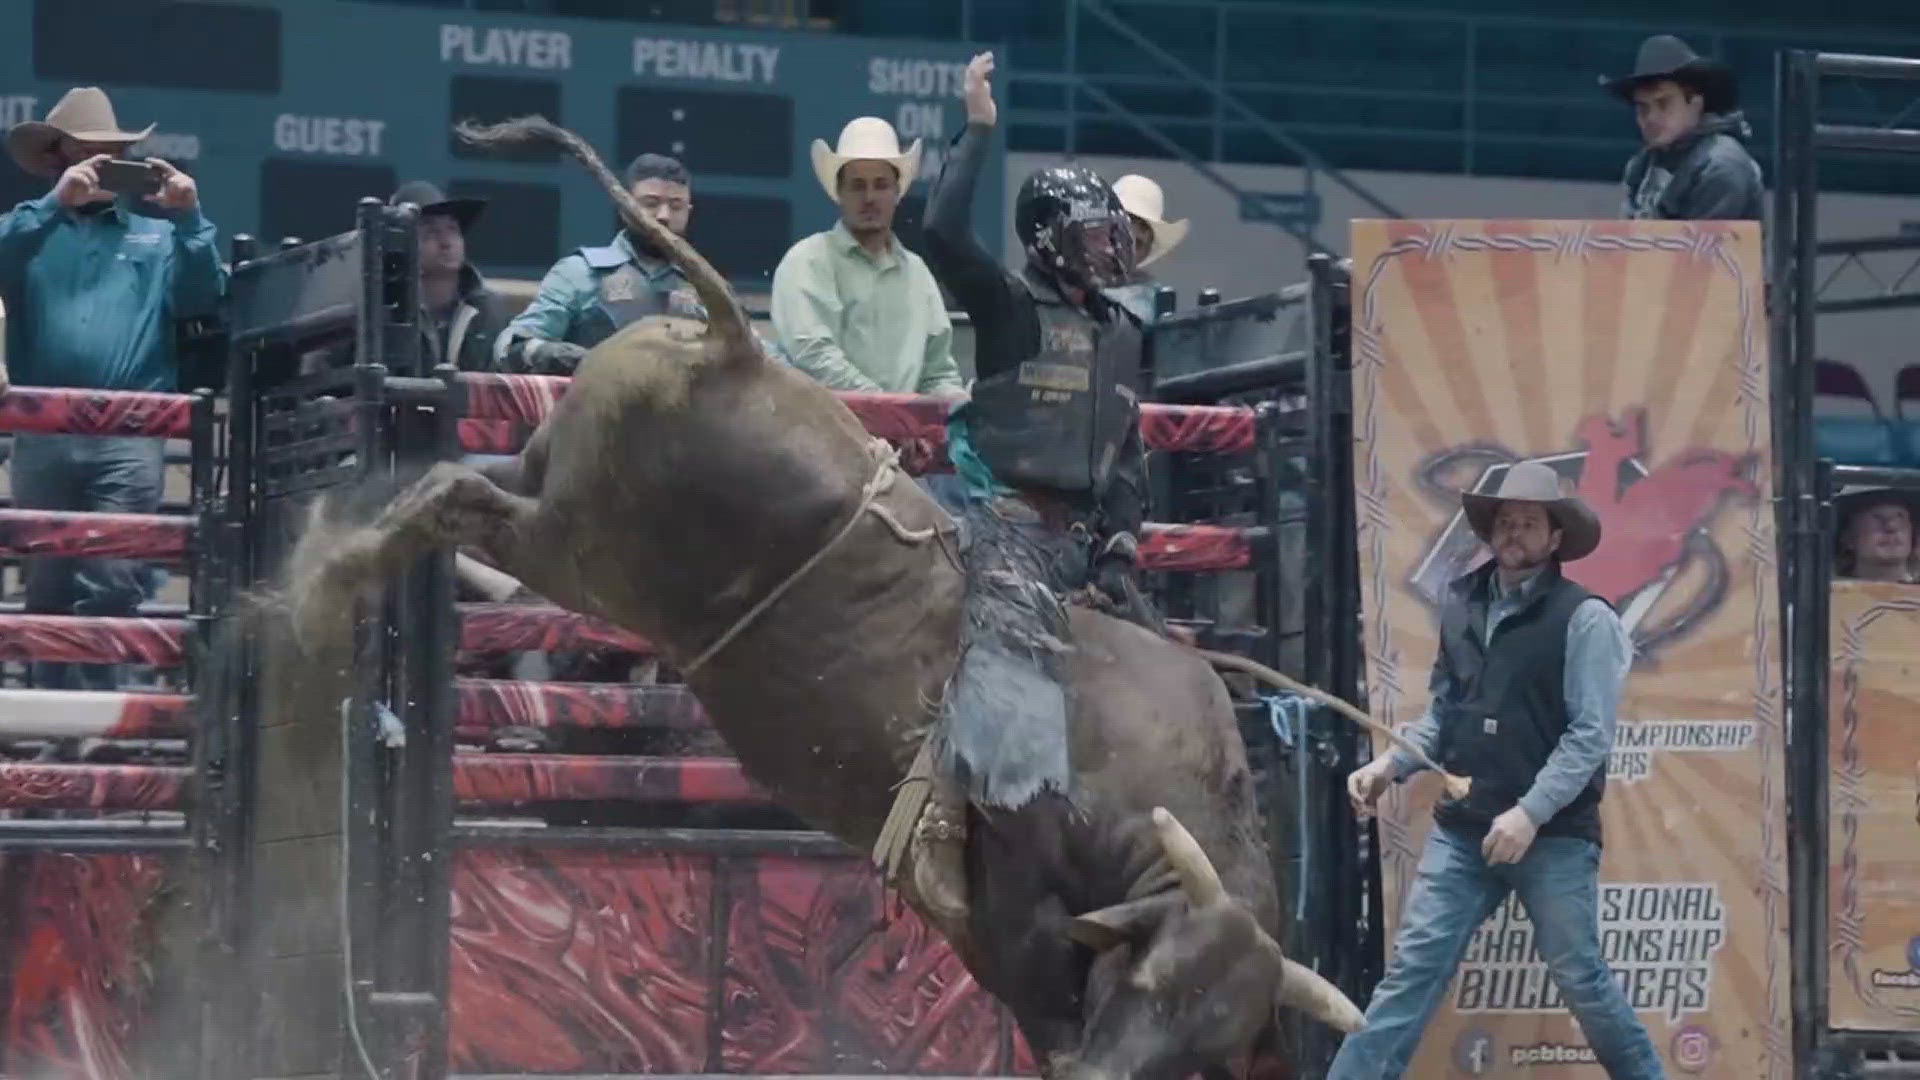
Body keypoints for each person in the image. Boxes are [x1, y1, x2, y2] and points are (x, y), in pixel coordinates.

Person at [898, 50, 1161, 923]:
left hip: (1089, 545)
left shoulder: (1124, 330)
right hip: (1007, 528)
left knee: (1168, 690)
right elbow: (939, 232)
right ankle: (936, 830)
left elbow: (1129, 454)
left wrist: (1122, 544)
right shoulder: (1011, 306)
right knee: (1011, 709)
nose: (1108, 247)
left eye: (1109, 232)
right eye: (1091, 233)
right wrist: (977, 128)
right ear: (1050, 240)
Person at [1333, 460, 1666, 1079]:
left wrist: (1529, 814)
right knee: (1412, 972)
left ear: (1555, 537)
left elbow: (1589, 735)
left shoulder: (1586, 618)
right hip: (1464, 831)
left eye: (1529, 523)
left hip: (1554, 837)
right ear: (1490, 532)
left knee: (1580, 977)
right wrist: (1391, 764)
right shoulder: (1460, 604)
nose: (1514, 533)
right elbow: (1444, 712)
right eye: (1505, 522)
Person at [1, 87, 225, 691]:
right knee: (47, 582)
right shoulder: (27, 231)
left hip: (130, 432)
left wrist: (190, 216)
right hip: (45, 431)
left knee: (116, 580)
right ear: (60, 159)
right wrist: (54, 203)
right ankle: (54, 728)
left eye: (114, 153)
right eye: (92, 154)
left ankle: (98, 721)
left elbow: (205, 298)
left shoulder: (158, 239)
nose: (105, 163)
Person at [769, 116, 967, 400]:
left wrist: (959, 404)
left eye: (881, 184)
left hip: (907, 437)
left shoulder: (918, 273)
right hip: (826, 437)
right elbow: (813, 357)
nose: (870, 197)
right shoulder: (807, 261)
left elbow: (937, 374)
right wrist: (893, 413)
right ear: (839, 192)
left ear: (897, 192)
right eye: (858, 185)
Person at [1602, 34, 1763, 222]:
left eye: (1664, 104)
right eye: (1643, 107)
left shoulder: (1721, 166)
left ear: (1695, 105)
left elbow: (1704, 248)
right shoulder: (1642, 164)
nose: (1651, 117)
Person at [390, 180, 505, 372]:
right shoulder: (380, 311)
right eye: (430, 232)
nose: (446, 242)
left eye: (452, 229)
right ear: (399, 245)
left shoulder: (490, 311)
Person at [1105, 173, 1189, 324]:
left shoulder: (1151, 298)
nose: (1125, 250)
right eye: (1118, 237)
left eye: (1138, 244)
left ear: (1147, 251)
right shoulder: (1068, 279)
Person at [1834, 487, 1917, 584]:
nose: (1891, 527)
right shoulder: (1826, 594)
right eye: (1877, 518)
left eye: (1900, 516)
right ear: (1847, 537)